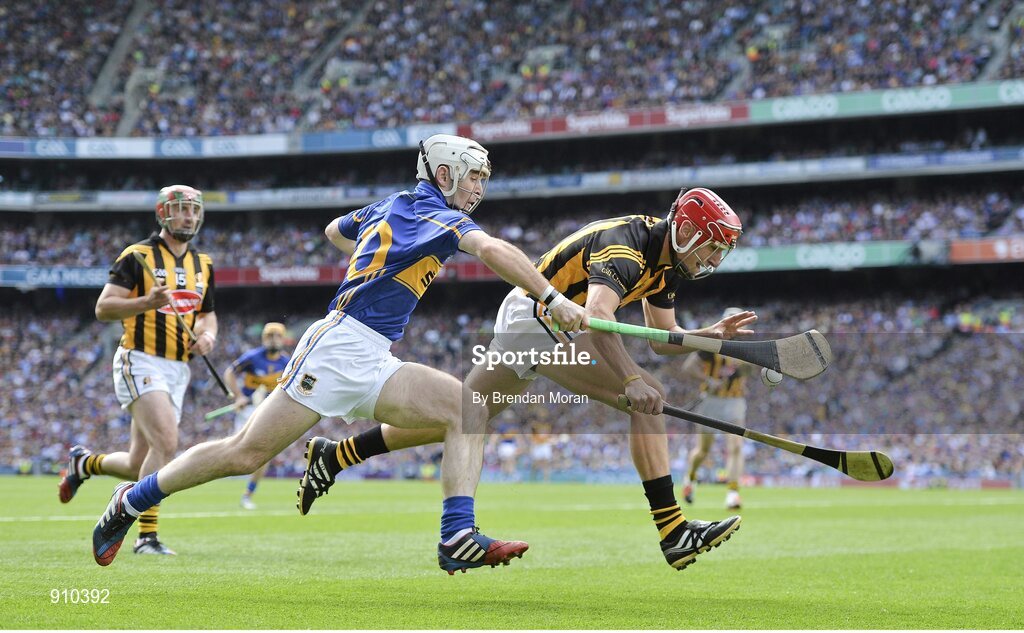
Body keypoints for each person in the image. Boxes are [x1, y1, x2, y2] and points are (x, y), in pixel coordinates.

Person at [91, 134, 586, 573]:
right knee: (245, 454)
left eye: (483, 177)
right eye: (473, 176)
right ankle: (131, 499)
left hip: (372, 351)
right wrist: (552, 298)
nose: (480, 187)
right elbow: (493, 250)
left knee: (467, 411)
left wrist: (370, 259)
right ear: (443, 174)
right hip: (339, 346)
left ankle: (456, 536)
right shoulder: (437, 213)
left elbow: (334, 230)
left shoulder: (393, 205)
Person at [299, 187, 753, 571]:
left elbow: (661, 338)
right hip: (536, 319)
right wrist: (631, 378)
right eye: (713, 246)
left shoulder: (668, 262)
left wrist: (705, 338)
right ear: (688, 230)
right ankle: (674, 531)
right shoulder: (627, 245)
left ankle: (336, 455)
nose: (716, 257)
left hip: (538, 319)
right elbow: (598, 316)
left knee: (466, 414)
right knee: (647, 396)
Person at [61, 184, 217, 557]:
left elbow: (208, 315)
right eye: (181, 210)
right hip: (139, 358)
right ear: (163, 213)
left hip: (179, 367)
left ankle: (85, 463)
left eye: (194, 211)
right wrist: (147, 301)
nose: (189, 217)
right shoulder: (138, 256)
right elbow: (104, 308)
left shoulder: (204, 264)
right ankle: (145, 536)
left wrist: (207, 337)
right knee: (167, 442)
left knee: (138, 464)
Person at [681, 307, 753, 510]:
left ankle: (733, 493)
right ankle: (690, 478)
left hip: (735, 401)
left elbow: (747, 372)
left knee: (736, 447)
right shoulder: (711, 344)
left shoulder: (747, 345)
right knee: (703, 450)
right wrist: (709, 380)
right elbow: (689, 366)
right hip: (712, 400)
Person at [222, 322, 290, 510]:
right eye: (269, 336)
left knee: (264, 455)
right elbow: (229, 373)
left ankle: (248, 494)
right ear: (263, 339)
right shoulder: (252, 357)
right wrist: (239, 396)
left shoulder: (287, 363)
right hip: (247, 410)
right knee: (236, 451)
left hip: (269, 412)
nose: (273, 339)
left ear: (283, 339)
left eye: (277, 336)